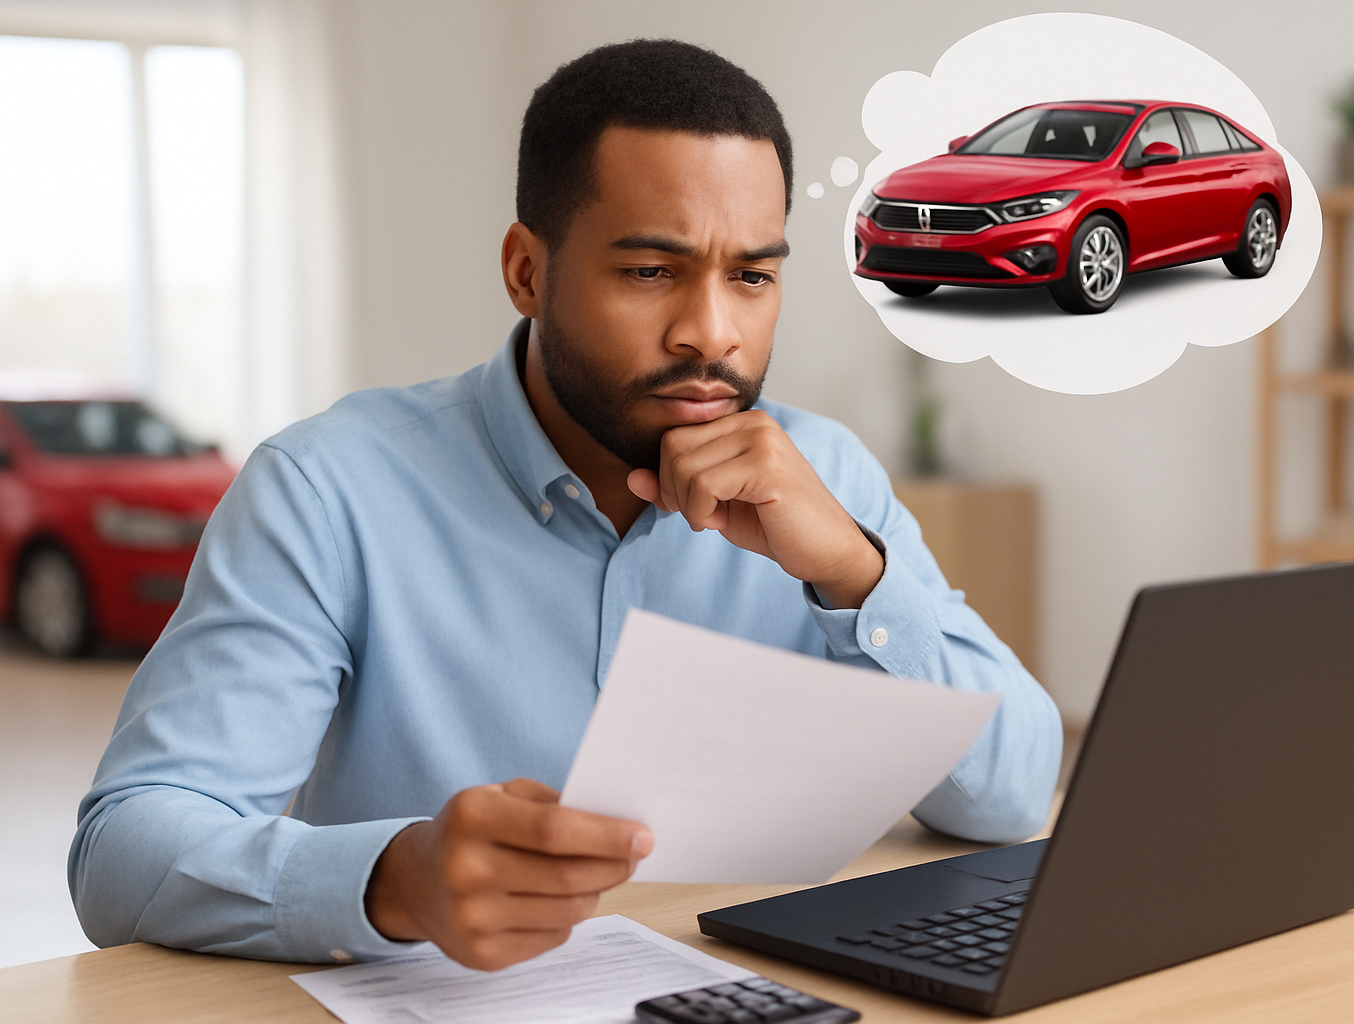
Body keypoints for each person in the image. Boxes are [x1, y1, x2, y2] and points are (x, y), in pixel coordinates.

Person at [69, 39, 1062, 972]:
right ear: (526, 271)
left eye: (751, 275)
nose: (710, 333)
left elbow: (1012, 794)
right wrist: (391, 880)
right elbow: (126, 850)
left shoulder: (826, 473)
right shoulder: (326, 489)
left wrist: (855, 574)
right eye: (650, 270)